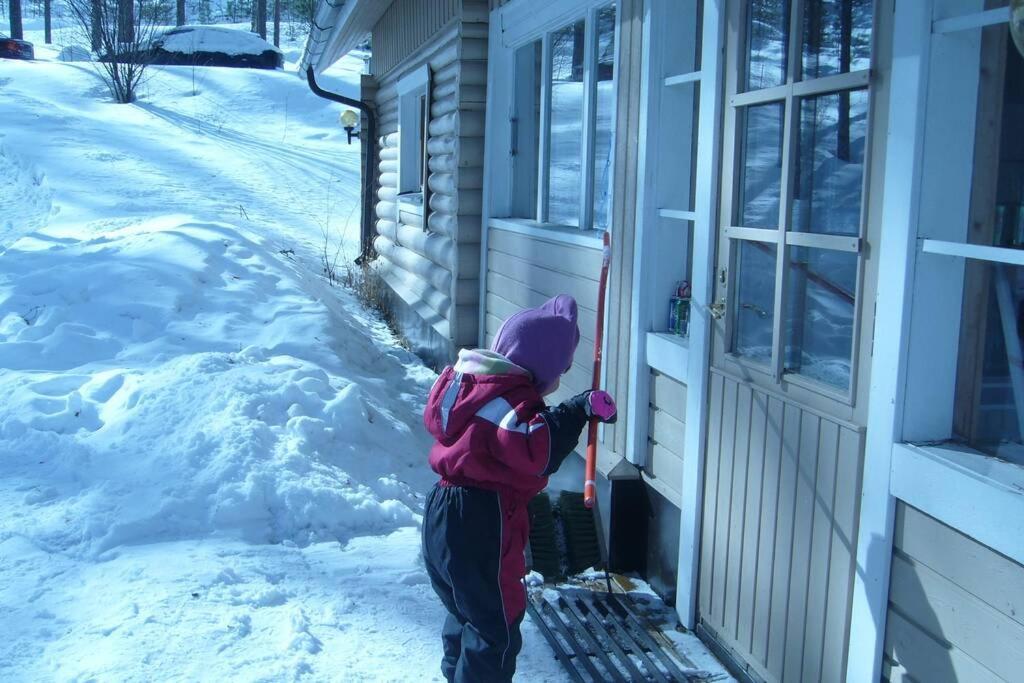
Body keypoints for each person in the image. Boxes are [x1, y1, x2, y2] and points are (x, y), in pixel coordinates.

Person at [420, 294, 618, 682]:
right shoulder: (508, 401)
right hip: (480, 518)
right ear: (538, 366)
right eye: (559, 370)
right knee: (496, 627)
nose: (557, 381)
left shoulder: (473, 390)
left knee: (467, 613)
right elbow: (537, 449)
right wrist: (578, 410)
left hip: (442, 511)